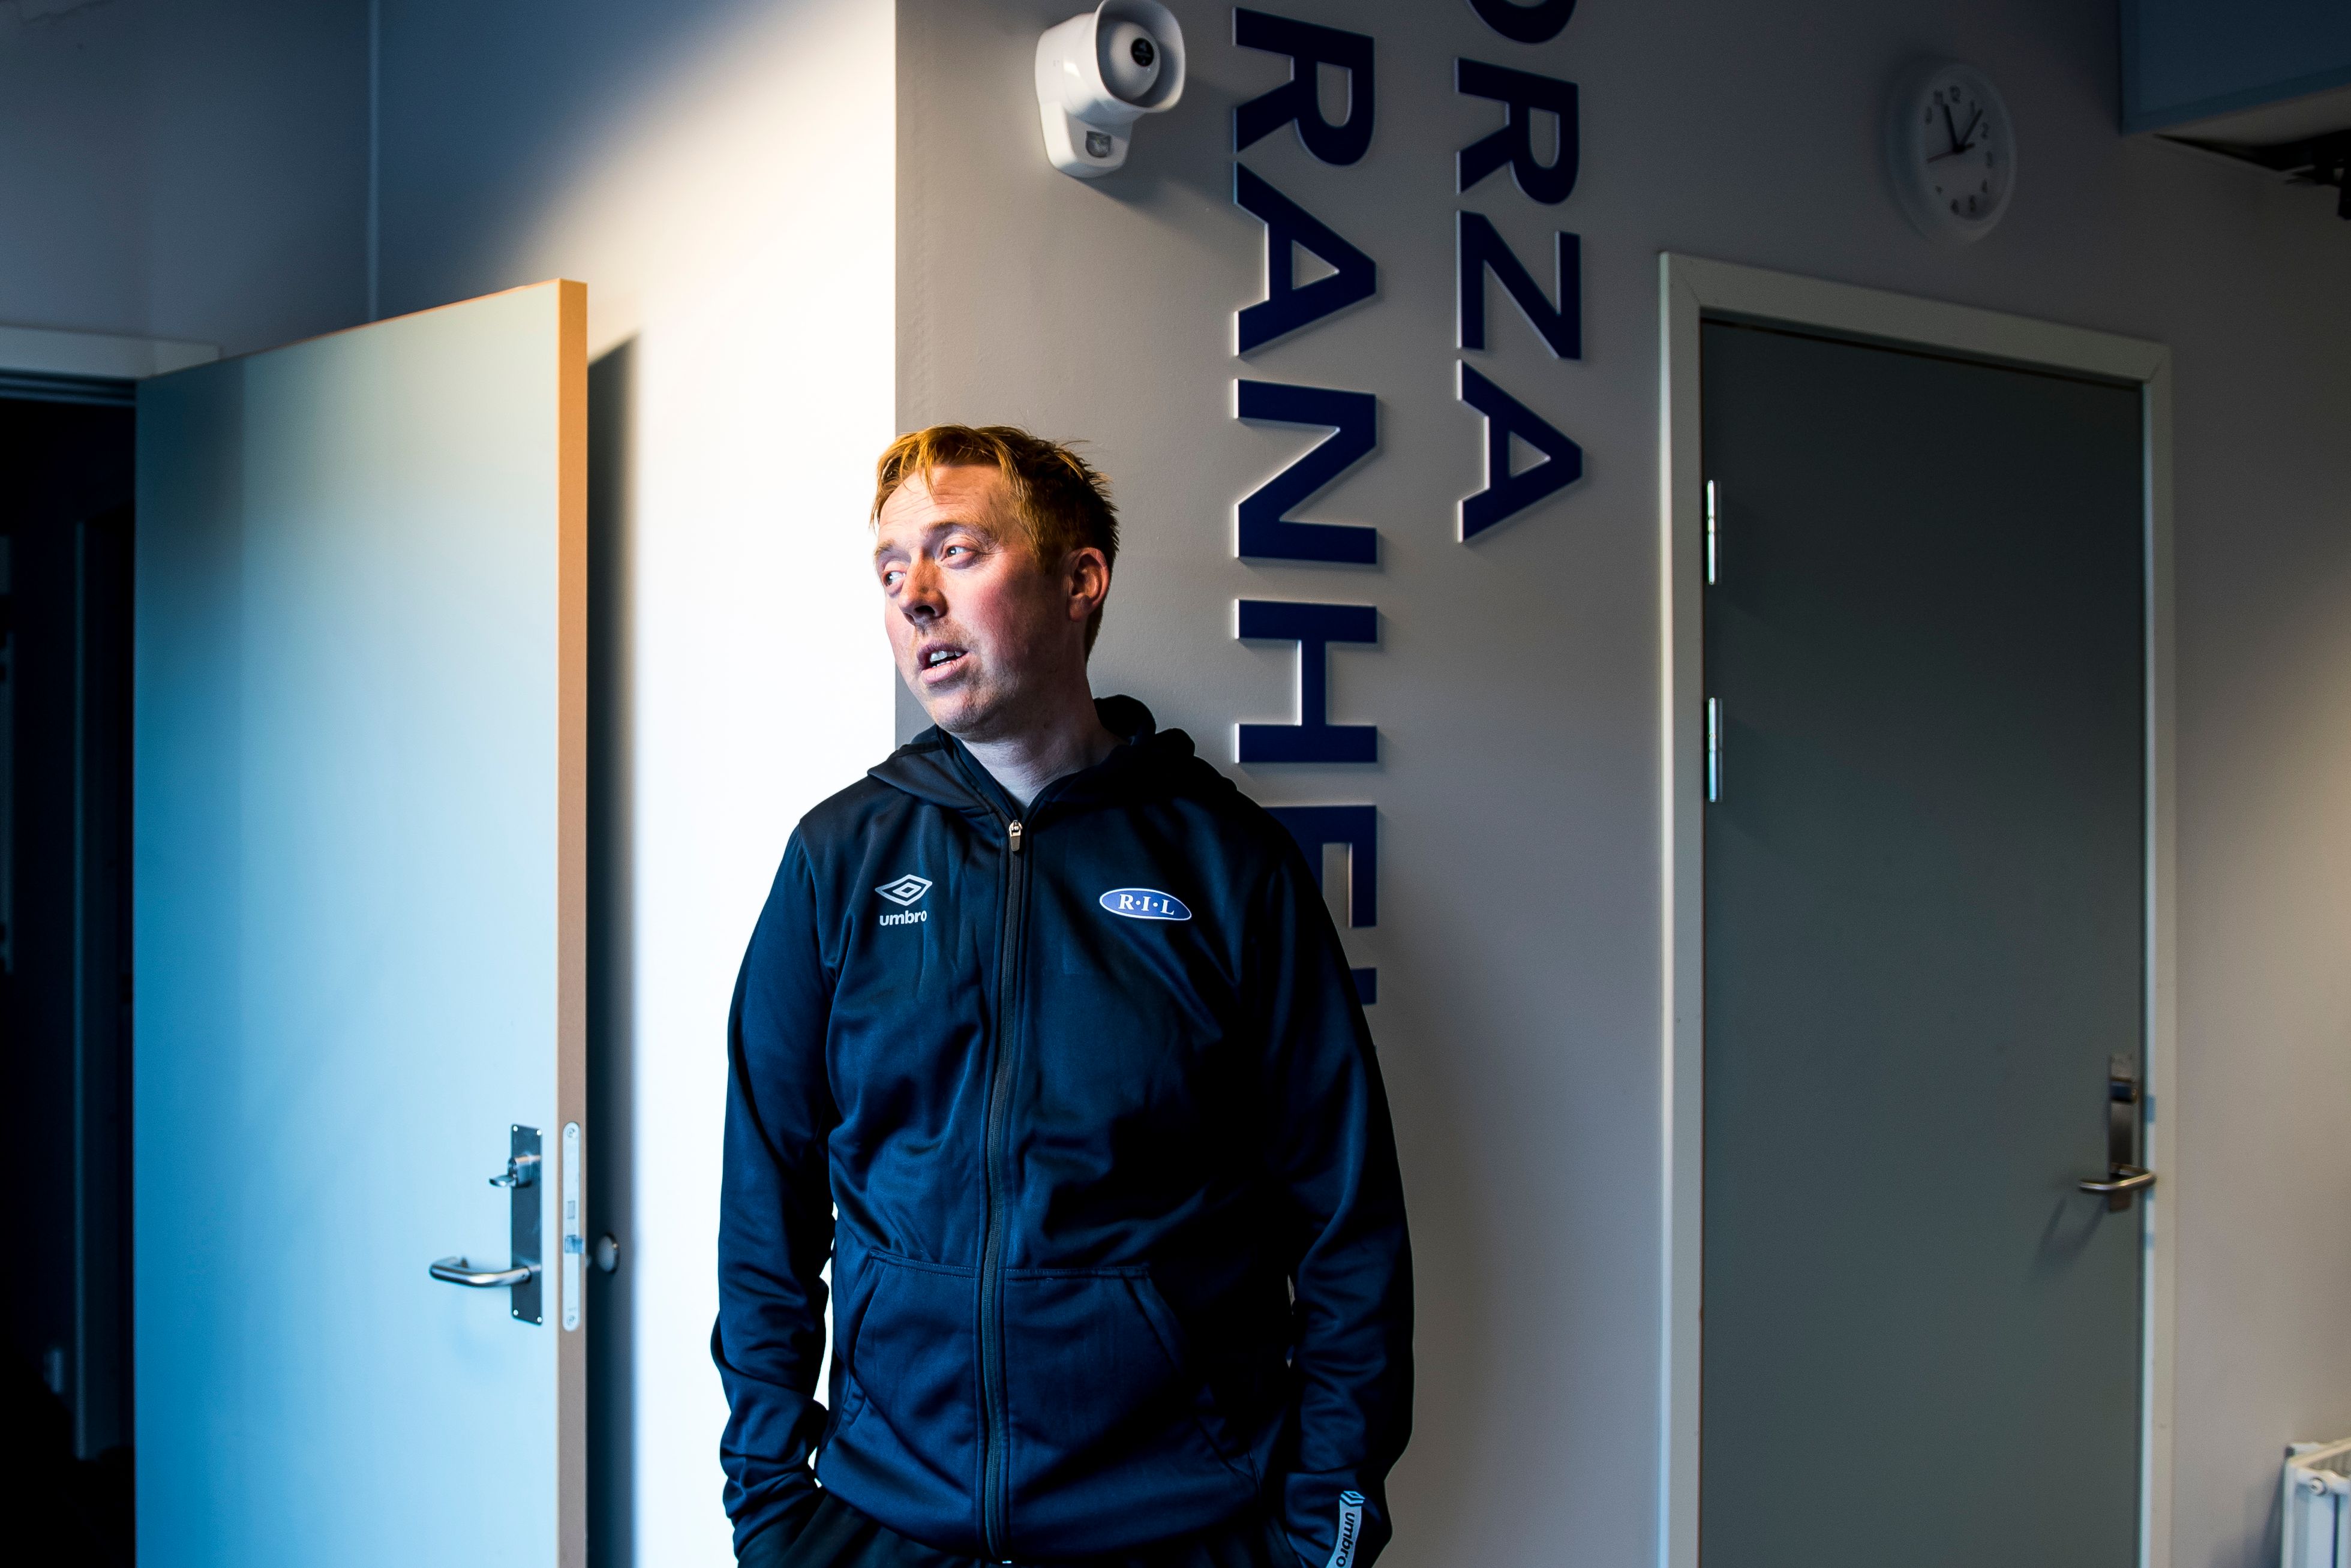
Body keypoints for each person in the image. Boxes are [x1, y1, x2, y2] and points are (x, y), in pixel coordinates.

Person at [714, 426, 1412, 1568]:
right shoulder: (839, 862)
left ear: (1081, 580)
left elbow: (1347, 1223)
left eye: (957, 551)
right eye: (891, 570)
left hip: (1179, 1529)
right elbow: (765, 1203)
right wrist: (772, 1506)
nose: (916, 596)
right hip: (886, 1527)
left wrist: (1322, 1535)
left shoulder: (1228, 866)